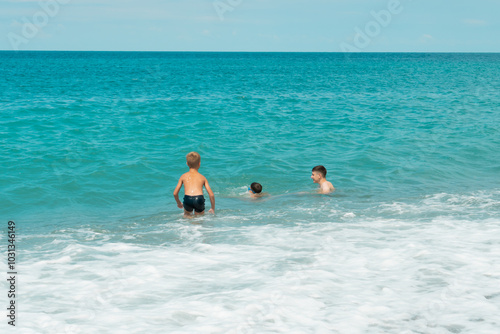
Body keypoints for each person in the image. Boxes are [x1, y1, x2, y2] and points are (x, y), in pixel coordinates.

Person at [173, 152, 215, 217]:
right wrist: (212, 208)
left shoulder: (183, 176)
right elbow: (211, 195)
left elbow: (175, 193)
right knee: (199, 219)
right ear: (199, 164)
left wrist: (179, 203)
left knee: (187, 217)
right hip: (199, 199)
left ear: (187, 164)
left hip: (188, 198)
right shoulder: (202, 177)